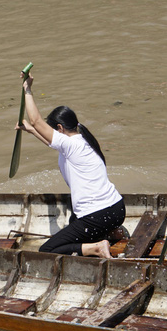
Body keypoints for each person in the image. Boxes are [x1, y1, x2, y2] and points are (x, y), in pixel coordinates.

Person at [16, 72, 125, 258]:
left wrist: (27, 89)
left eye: (52, 130)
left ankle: (96, 247)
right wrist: (33, 131)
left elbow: (36, 120)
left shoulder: (69, 145)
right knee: (75, 219)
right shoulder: (83, 141)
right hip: (117, 209)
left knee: (46, 250)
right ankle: (110, 232)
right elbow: (42, 132)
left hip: (98, 216)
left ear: (59, 129)